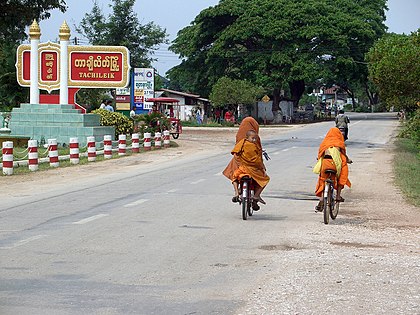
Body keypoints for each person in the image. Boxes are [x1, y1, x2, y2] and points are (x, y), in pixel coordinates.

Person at [223, 116, 269, 210]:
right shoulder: (256, 138)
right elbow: (258, 155)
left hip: (240, 164)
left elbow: (235, 151)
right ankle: (256, 196)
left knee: (234, 175)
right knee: (263, 178)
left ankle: (237, 191)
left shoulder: (241, 138)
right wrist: (262, 166)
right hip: (253, 167)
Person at [313, 127, 352, 212]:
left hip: (325, 164)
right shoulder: (339, 143)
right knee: (341, 176)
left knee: (323, 180)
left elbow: (320, 155)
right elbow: (344, 155)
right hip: (335, 165)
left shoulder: (325, 143)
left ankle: (321, 200)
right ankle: (338, 196)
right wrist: (348, 160)